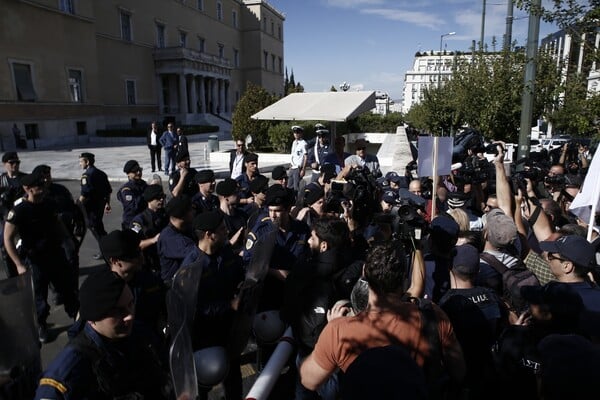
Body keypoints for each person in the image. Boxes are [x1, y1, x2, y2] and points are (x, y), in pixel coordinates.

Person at [299, 243, 466, 395]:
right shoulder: (433, 316)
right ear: (403, 280)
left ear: (364, 273)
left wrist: (326, 338)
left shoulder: (338, 331)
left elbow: (309, 380)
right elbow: (459, 371)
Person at [34, 269, 171, 399]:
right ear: (93, 318)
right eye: (118, 311)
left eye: (131, 304)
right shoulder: (69, 370)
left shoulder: (138, 332)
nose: (129, 316)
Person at [4, 170, 79, 343]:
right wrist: (18, 264)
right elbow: (7, 238)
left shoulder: (49, 204)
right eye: (39, 186)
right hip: (35, 259)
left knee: (67, 288)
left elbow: (57, 223)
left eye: (43, 184)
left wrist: (68, 241)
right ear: (27, 188)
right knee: (39, 295)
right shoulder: (19, 211)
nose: (43, 188)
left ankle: (77, 317)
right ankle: (41, 325)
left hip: (55, 254)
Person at [179, 210, 245, 399]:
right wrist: (228, 306)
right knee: (204, 380)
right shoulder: (191, 267)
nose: (227, 232)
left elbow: (238, 273)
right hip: (204, 335)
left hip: (229, 328)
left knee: (233, 375)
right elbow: (192, 308)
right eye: (223, 229)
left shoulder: (225, 252)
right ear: (209, 234)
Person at [100, 230, 168, 348]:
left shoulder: (150, 280)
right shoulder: (101, 292)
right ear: (115, 261)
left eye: (140, 252)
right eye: (134, 255)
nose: (141, 258)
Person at [78, 152, 112, 259]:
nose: (80, 164)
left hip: (91, 208)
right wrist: (107, 203)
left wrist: (76, 205)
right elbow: (108, 191)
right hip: (100, 205)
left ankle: (106, 251)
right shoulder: (101, 173)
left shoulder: (86, 175)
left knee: (96, 229)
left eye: (81, 161)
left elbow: (84, 194)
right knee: (99, 227)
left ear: (87, 162)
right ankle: (108, 247)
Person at [157, 194, 196, 283]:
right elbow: (196, 253)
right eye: (190, 210)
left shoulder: (187, 228)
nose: (193, 212)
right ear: (182, 215)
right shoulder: (170, 238)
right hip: (175, 286)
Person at [131, 184, 169, 274]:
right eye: (158, 198)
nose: (162, 200)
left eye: (163, 197)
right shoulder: (140, 220)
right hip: (150, 261)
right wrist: (154, 240)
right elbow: (134, 245)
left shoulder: (166, 214)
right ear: (149, 200)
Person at [0, 151, 26, 277]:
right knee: (5, 248)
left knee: (26, 247)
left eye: (17, 162)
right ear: (5, 164)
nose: (15, 165)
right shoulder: (1, 180)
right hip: (5, 220)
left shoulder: (25, 179)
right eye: (12, 163)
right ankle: (12, 277)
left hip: (22, 219)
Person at [117, 160, 147, 230]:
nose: (139, 173)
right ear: (128, 174)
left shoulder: (143, 184)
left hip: (144, 219)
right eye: (135, 171)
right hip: (132, 222)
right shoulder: (127, 189)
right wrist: (146, 193)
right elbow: (134, 206)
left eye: (139, 170)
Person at [288, 125, 308, 193]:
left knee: (296, 187)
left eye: (297, 132)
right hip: (292, 167)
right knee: (289, 186)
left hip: (298, 167)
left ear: (301, 133)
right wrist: (290, 165)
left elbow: (305, 157)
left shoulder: (303, 143)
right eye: (294, 132)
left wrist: (303, 169)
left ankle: (297, 201)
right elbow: (293, 154)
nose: (296, 134)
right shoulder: (294, 142)